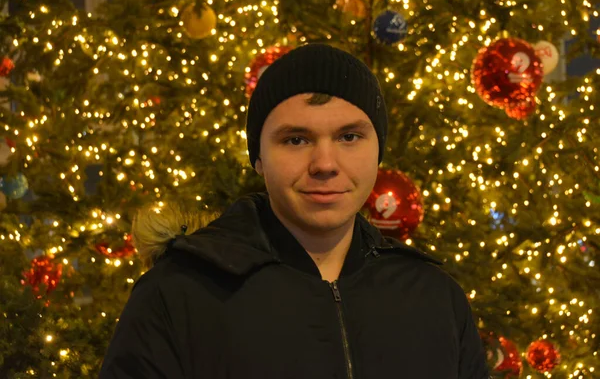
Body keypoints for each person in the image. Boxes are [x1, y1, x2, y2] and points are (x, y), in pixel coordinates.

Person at [99, 43, 490, 378]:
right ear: (259, 159)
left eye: (349, 136)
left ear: (377, 150)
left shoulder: (435, 298)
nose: (325, 163)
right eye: (297, 139)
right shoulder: (179, 294)